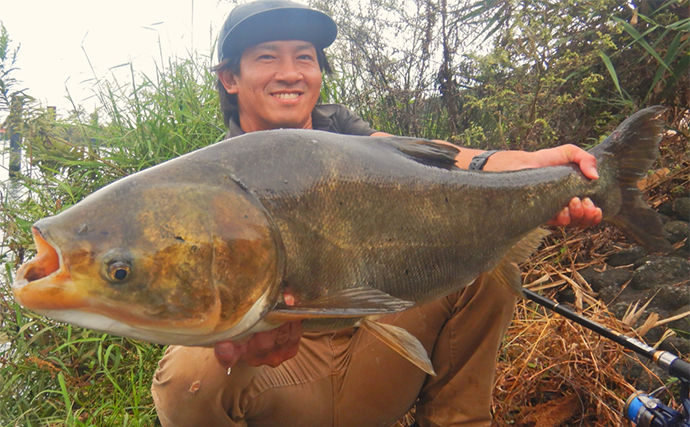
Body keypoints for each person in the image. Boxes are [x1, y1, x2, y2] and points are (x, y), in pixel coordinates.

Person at [151, 1, 602, 426]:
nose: (290, 74)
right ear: (230, 78)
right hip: (285, 379)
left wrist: (537, 168)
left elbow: (453, 163)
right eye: (267, 57)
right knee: (186, 377)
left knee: (479, 257)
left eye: (305, 58)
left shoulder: (347, 134)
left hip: (382, 351)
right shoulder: (214, 184)